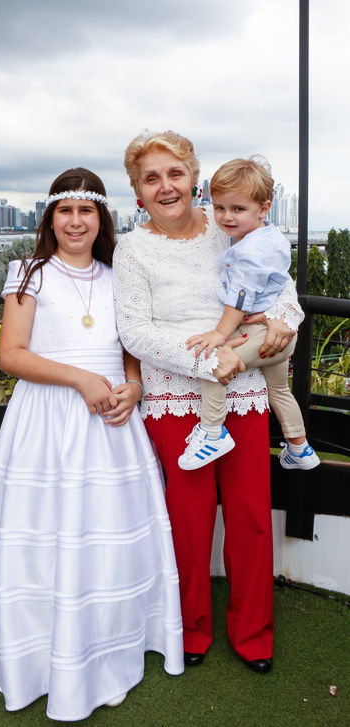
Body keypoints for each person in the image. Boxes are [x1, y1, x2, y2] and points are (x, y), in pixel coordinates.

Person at [0, 167, 184, 721]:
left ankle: (105, 657)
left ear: (101, 219)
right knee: (46, 538)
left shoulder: (119, 275)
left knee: (104, 539)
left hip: (111, 428)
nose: (75, 222)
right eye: (65, 211)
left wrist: (134, 387)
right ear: (50, 218)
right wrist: (80, 380)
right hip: (47, 425)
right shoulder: (29, 273)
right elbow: (11, 355)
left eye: (86, 211)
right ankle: (38, 661)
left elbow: (130, 348)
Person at [113, 131, 305, 674]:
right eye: (151, 178)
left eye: (175, 174)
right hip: (177, 397)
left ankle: (254, 634)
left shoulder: (231, 225)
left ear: (193, 179)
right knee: (188, 521)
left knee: (251, 518)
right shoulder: (131, 249)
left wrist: (283, 321)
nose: (165, 186)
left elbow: (280, 287)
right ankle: (189, 628)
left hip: (243, 394)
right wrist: (207, 363)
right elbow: (135, 332)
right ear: (137, 192)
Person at [179, 156, 319, 472]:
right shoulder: (268, 236)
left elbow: (240, 298)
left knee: (215, 363)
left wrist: (220, 334)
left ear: (264, 208)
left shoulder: (249, 251)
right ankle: (300, 448)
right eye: (220, 207)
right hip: (279, 334)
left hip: (260, 334)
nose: (227, 216)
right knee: (280, 391)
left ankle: (212, 432)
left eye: (238, 209)